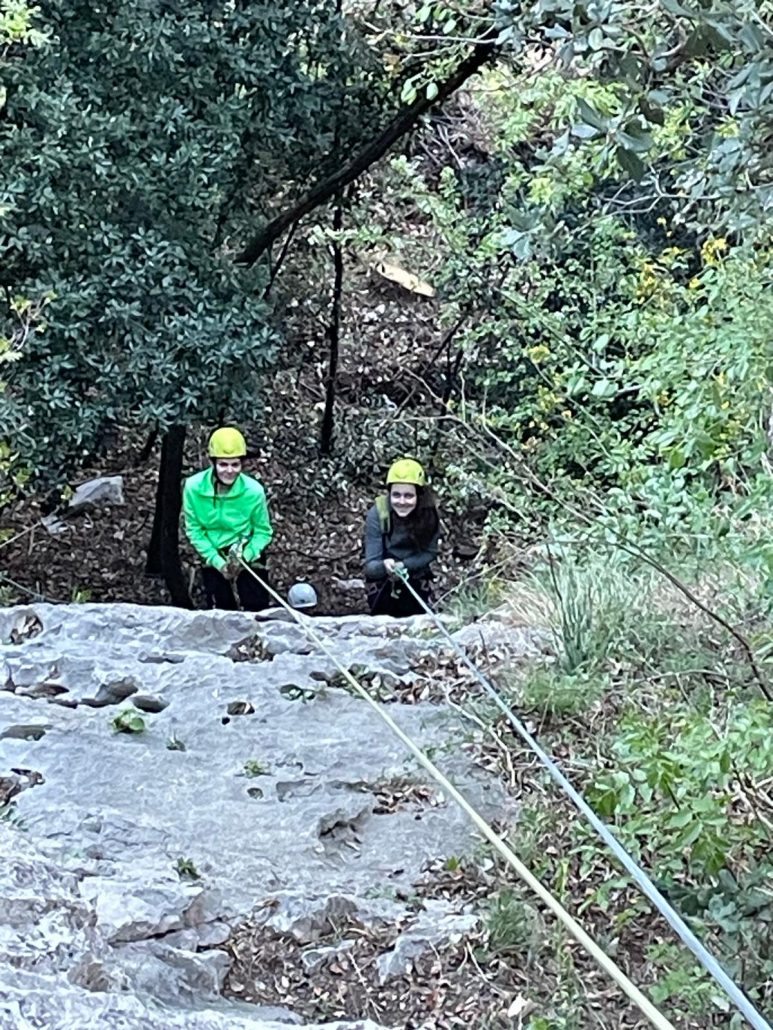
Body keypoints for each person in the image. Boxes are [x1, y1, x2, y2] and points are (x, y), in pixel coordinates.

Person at [182, 427, 273, 611]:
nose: (229, 471)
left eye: (235, 465)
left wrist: (245, 556)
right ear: (213, 463)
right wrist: (217, 562)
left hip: (245, 551)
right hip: (213, 551)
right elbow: (194, 530)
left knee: (257, 607)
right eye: (223, 464)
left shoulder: (253, 492)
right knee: (221, 609)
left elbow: (263, 532)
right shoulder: (194, 488)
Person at [363, 458, 440, 617]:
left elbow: (430, 552)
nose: (402, 502)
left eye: (408, 496)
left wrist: (404, 565)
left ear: (419, 495)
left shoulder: (428, 514)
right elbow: (370, 567)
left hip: (416, 578)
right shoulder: (378, 514)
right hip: (384, 583)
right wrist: (385, 566)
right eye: (396, 495)